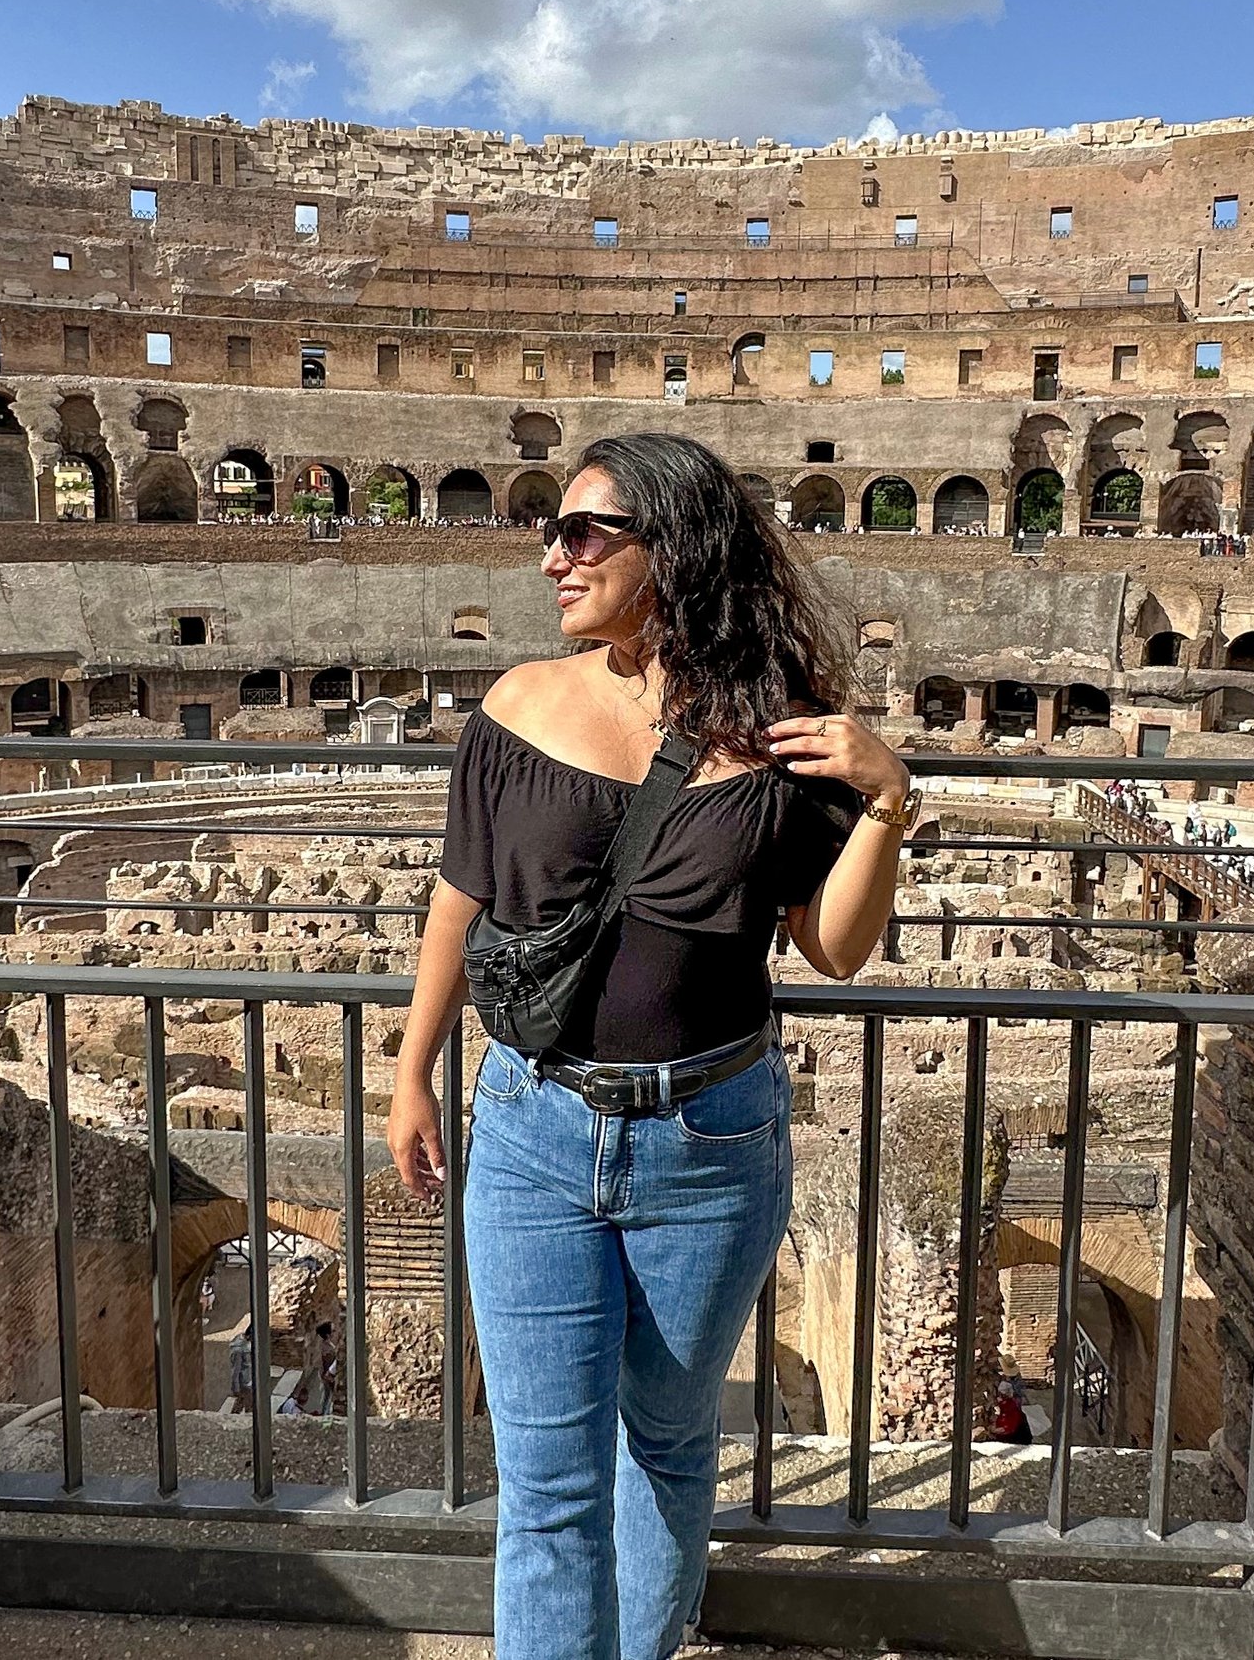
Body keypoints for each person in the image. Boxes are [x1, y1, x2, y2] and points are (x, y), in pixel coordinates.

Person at [387, 433, 913, 1660]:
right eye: (551, 532)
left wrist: (888, 800)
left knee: (669, 1445)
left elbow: (832, 947)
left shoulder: (781, 735)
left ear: (668, 549)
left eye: (582, 534)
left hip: (709, 1138)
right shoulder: (517, 703)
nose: (552, 557)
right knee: (549, 1493)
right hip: (530, 1127)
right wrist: (410, 1069)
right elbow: (460, 898)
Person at [228, 1323, 254, 1415]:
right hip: (245, 1382)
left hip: (249, 1380)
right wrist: (235, 1388)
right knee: (249, 1406)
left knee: (241, 1402)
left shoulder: (246, 1343)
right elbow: (236, 1370)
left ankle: (233, 1416)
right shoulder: (238, 1350)